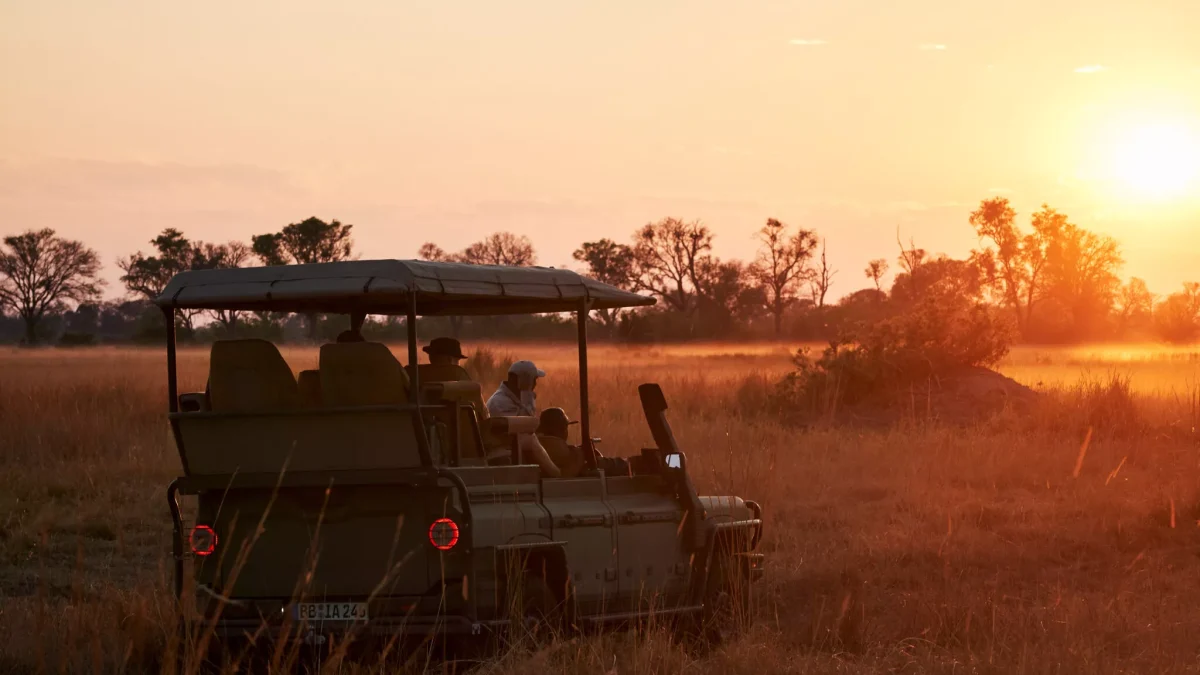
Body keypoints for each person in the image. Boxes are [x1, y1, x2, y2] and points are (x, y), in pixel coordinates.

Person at [536, 407, 586, 478]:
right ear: (563, 429)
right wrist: (580, 455)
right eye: (566, 427)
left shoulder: (536, 444)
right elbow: (567, 475)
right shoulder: (561, 451)